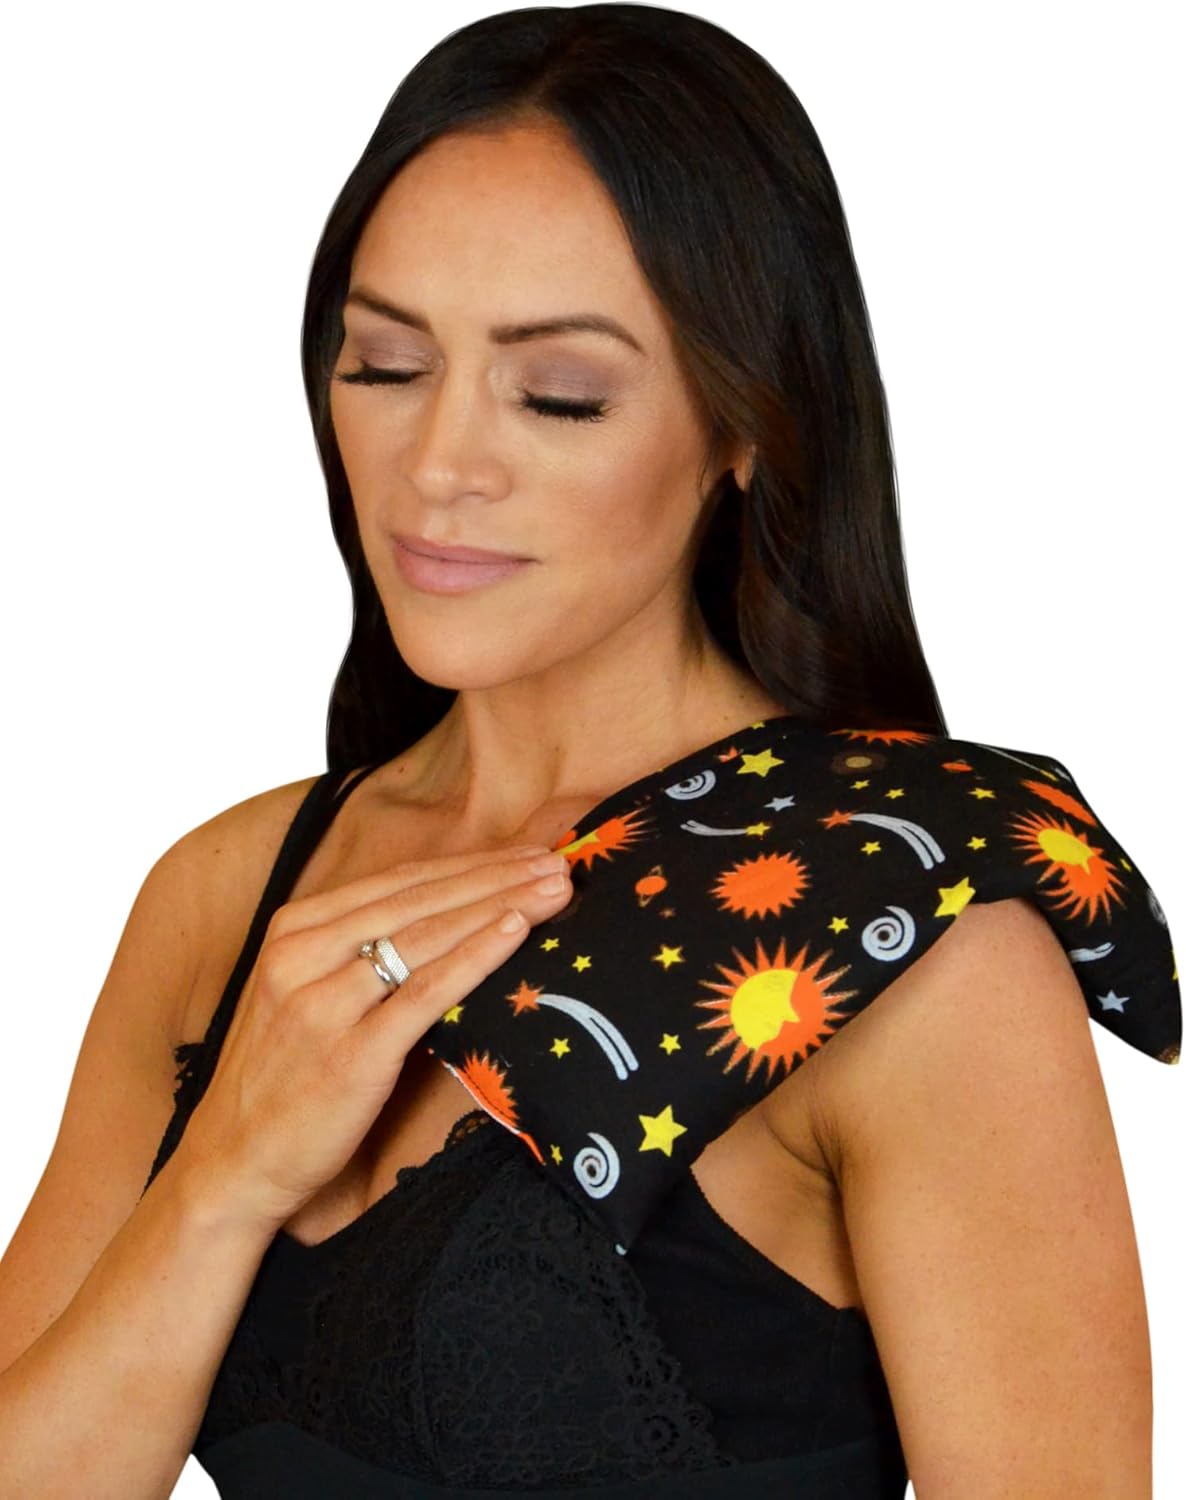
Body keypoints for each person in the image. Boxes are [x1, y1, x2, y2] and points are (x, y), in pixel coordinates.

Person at [0, 5, 1178, 1496]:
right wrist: (225, 1176)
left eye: (558, 394)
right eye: (384, 365)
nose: (437, 465)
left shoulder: (906, 940)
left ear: (747, 426)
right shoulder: (229, 896)